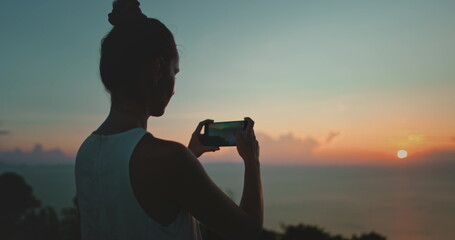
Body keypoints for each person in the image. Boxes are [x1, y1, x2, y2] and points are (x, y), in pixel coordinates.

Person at [74, 0, 263, 239]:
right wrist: (252, 160)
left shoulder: (87, 152)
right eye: (174, 72)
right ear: (157, 70)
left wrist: (190, 156)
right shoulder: (170, 159)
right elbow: (249, 231)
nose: (173, 89)